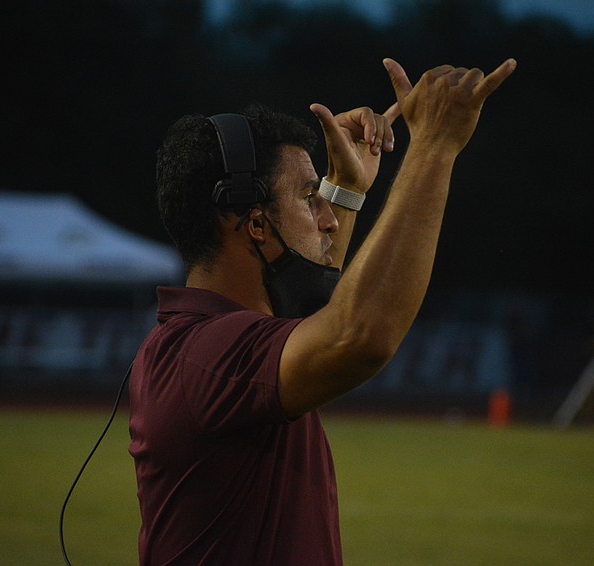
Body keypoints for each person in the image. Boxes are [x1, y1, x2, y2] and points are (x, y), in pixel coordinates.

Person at [128, 56, 516, 565]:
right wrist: (435, 147)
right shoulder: (210, 353)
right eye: (309, 197)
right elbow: (356, 335)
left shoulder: (201, 344)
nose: (327, 221)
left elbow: (312, 310)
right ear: (256, 224)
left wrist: (346, 191)